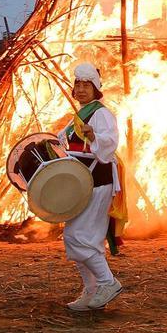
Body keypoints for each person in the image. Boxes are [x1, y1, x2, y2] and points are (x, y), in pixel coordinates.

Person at [58, 63, 125, 311]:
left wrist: (95, 137)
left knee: (79, 237)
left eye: (87, 85)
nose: (81, 89)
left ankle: (108, 283)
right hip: (82, 182)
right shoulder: (81, 114)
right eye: (78, 85)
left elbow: (111, 142)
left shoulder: (101, 114)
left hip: (98, 182)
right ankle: (92, 290)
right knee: (83, 239)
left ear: (96, 88)